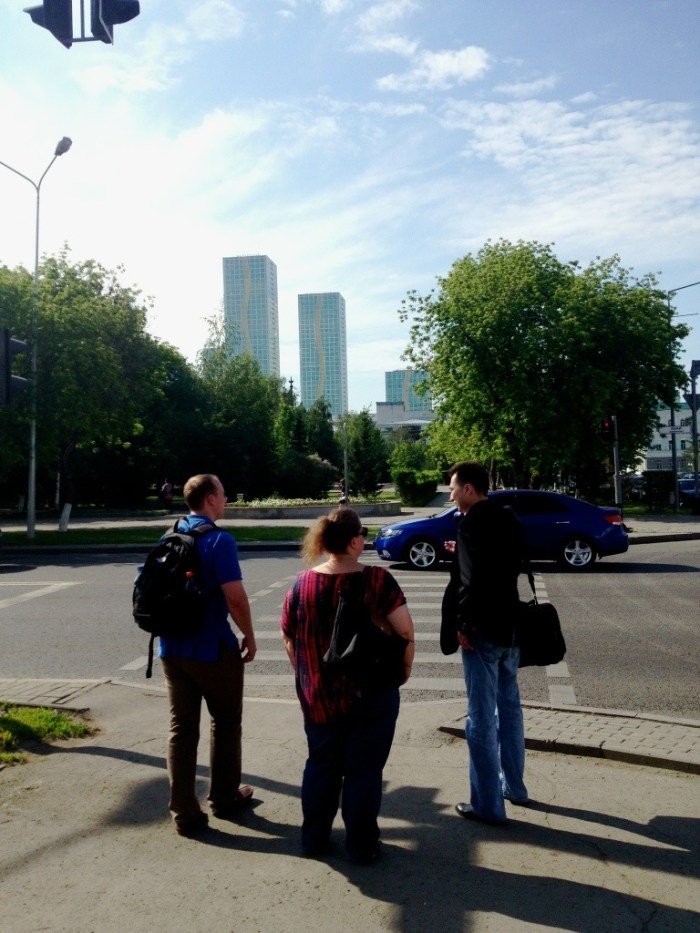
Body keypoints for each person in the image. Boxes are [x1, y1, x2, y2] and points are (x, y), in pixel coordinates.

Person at [280, 507, 415, 863]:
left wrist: (306, 674)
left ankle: (314, 840)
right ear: (355, 541)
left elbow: (289, 636)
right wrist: (402, 671)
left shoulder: (301, 583)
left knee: (321, 767)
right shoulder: (378, 581)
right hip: (370, 693)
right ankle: (361, 845)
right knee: (364, 770)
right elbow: (405, 632)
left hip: (318, 696)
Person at [158, 473, 257, 837]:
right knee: (226, 723)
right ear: (212, 498)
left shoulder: (170, 533)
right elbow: (234, 597)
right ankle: (225, 798)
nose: (227, 498)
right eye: (224, 492)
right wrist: (248, 634)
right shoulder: (218, 540)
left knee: (181, 730)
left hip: (171, 648)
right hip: (212, 649)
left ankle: (184, 812)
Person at [444, 461, 528, 825]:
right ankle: (516, 788)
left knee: (479, 717)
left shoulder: (471, 524)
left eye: (452, 487)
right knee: (510, 709)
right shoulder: (508, 518)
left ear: (468, 489)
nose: (450, 494)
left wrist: (463, 624)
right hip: (512, 626)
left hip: (483, 631)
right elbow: (510, 566)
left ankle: (488, 806)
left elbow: (471, 581)